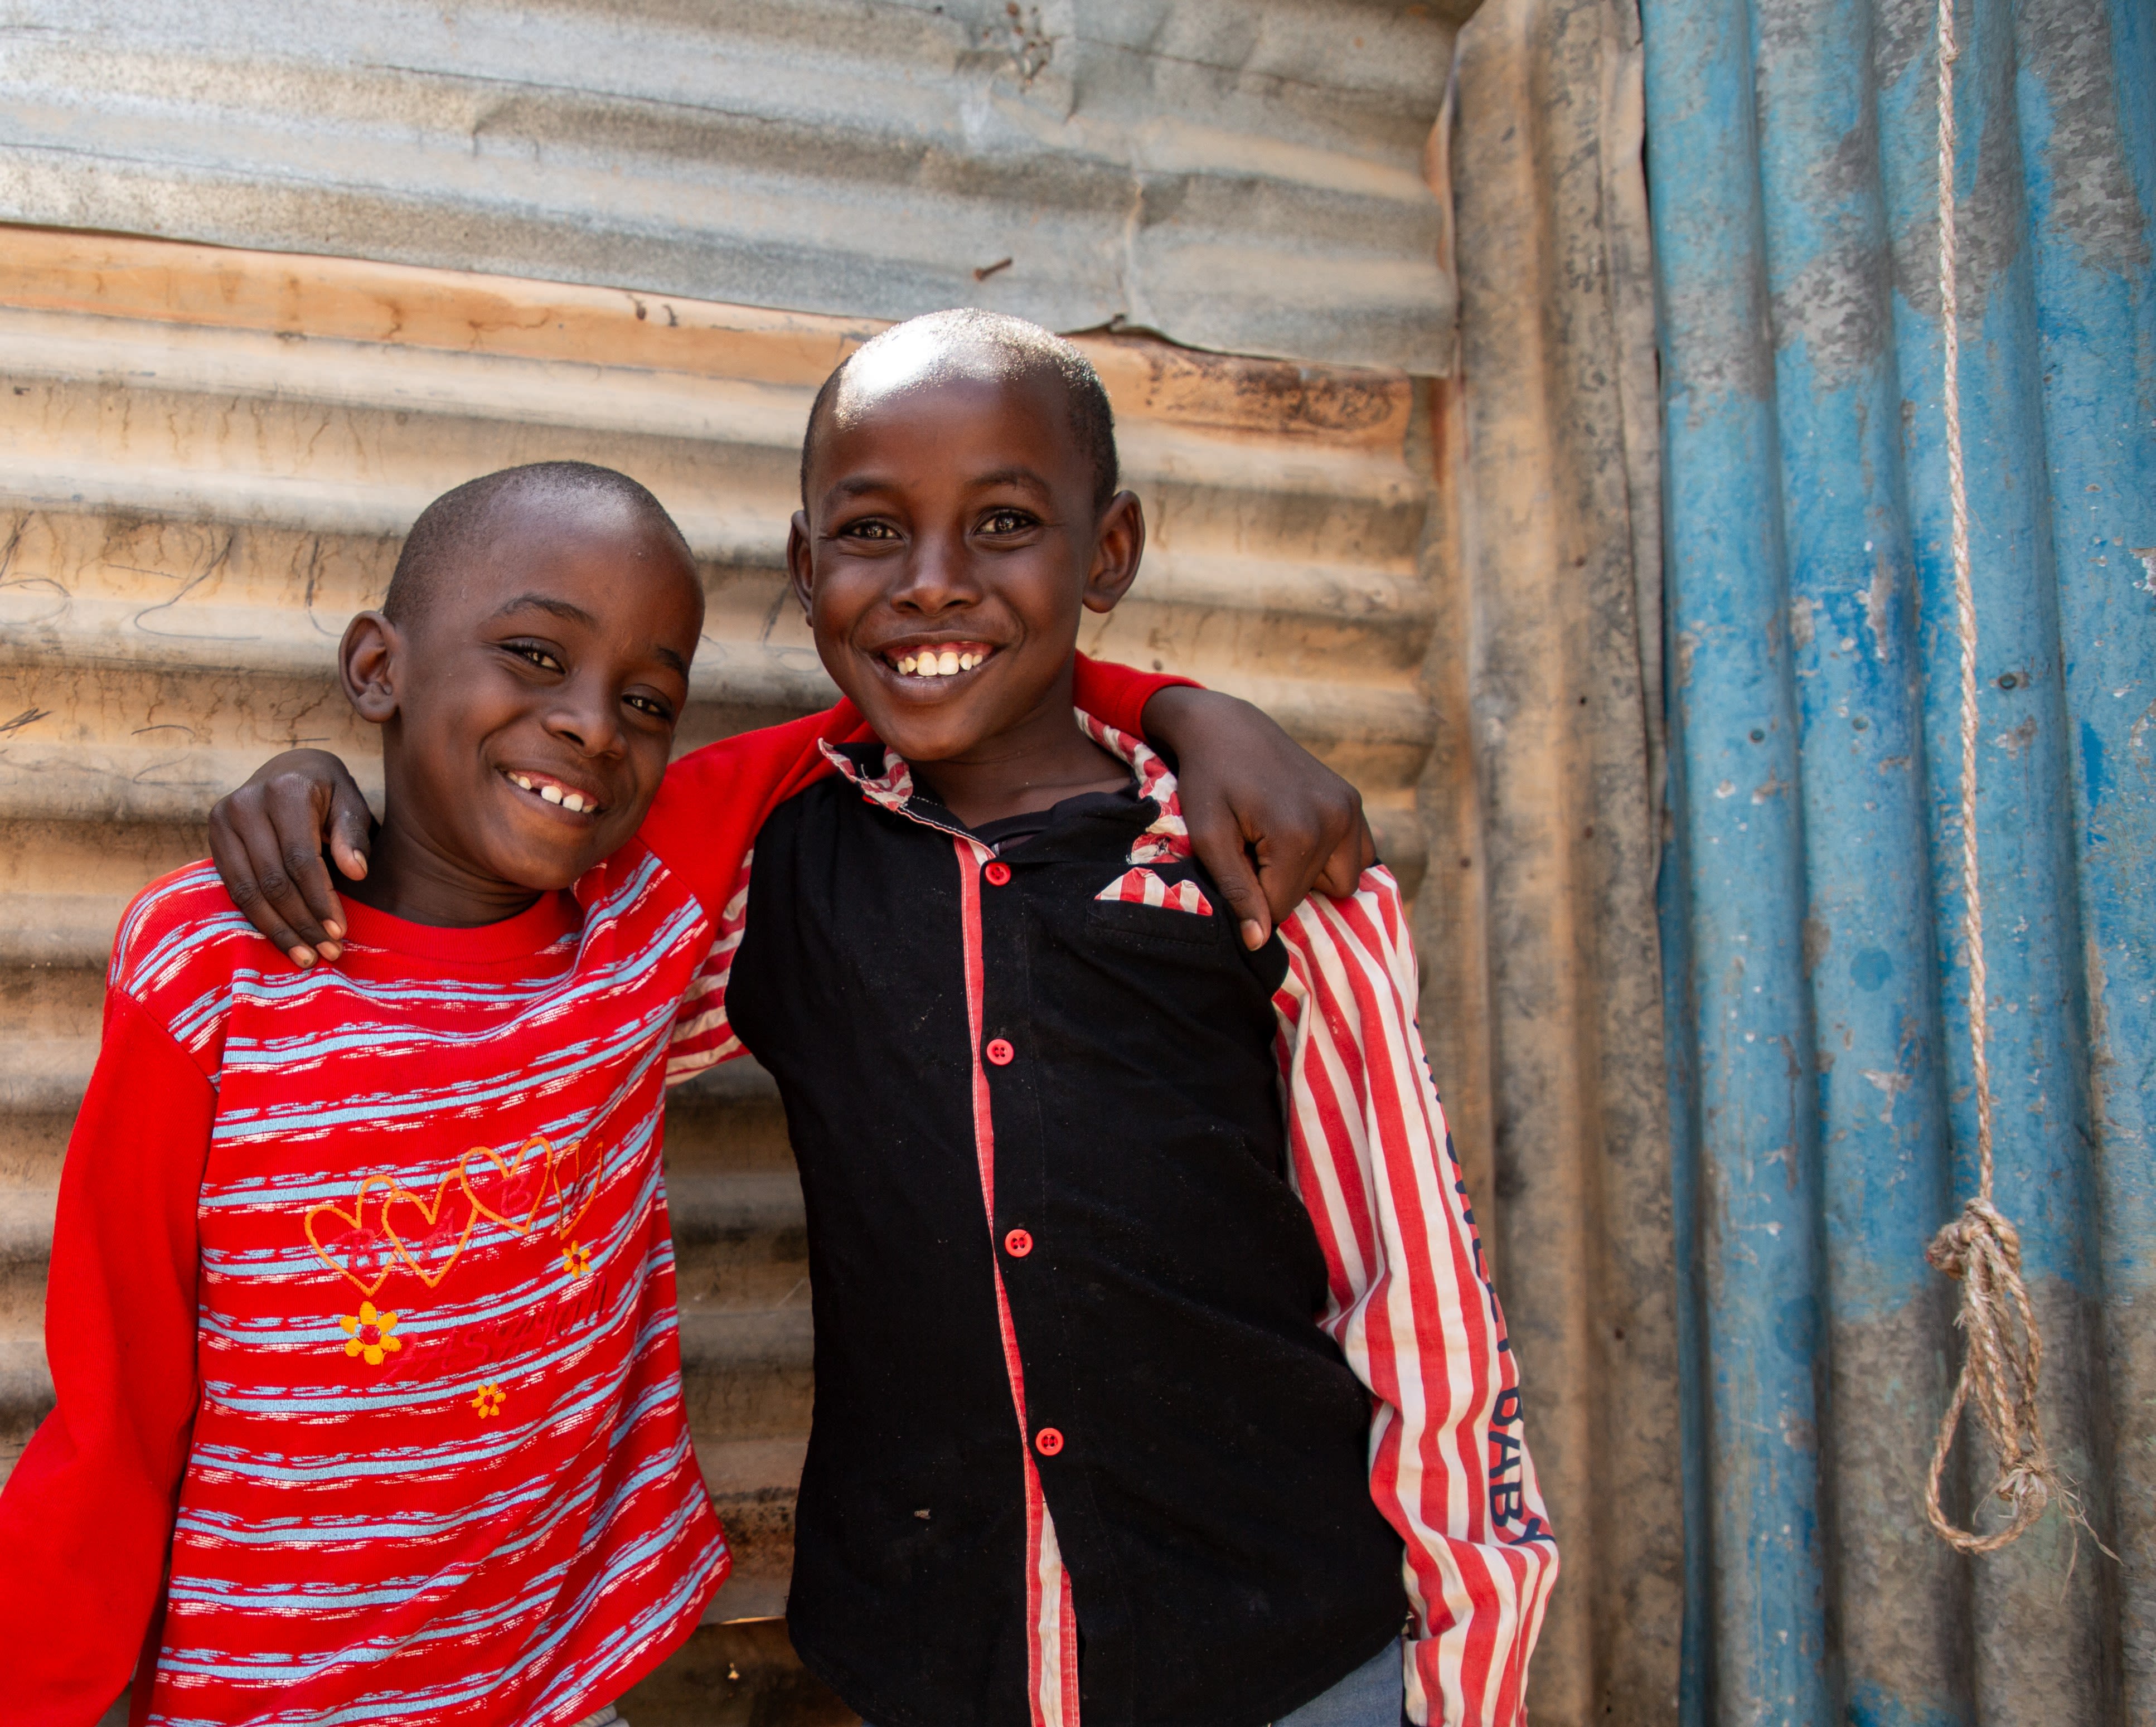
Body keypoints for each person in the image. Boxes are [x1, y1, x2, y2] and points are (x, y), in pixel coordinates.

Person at [1, 459, 1368, 1727]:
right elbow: (119, 1391)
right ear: (377, 665)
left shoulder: (642, 925)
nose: (591, 724)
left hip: (563, 1664)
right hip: (270, 1679)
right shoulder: (217, 963)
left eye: (648, 700)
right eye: (534, 656)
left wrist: (1177, 711)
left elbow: (925, 684)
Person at [685, 312, 1559, 1727]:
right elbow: (533, 983)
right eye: (869, 533)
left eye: (1005, 521)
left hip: (1285, 1660)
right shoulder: (775, 877)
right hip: (925, 1664)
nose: (931, 583)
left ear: (1109, 552)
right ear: (804, 569)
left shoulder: (1253, 854)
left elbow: (1418, 1292)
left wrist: (1465, 1668)